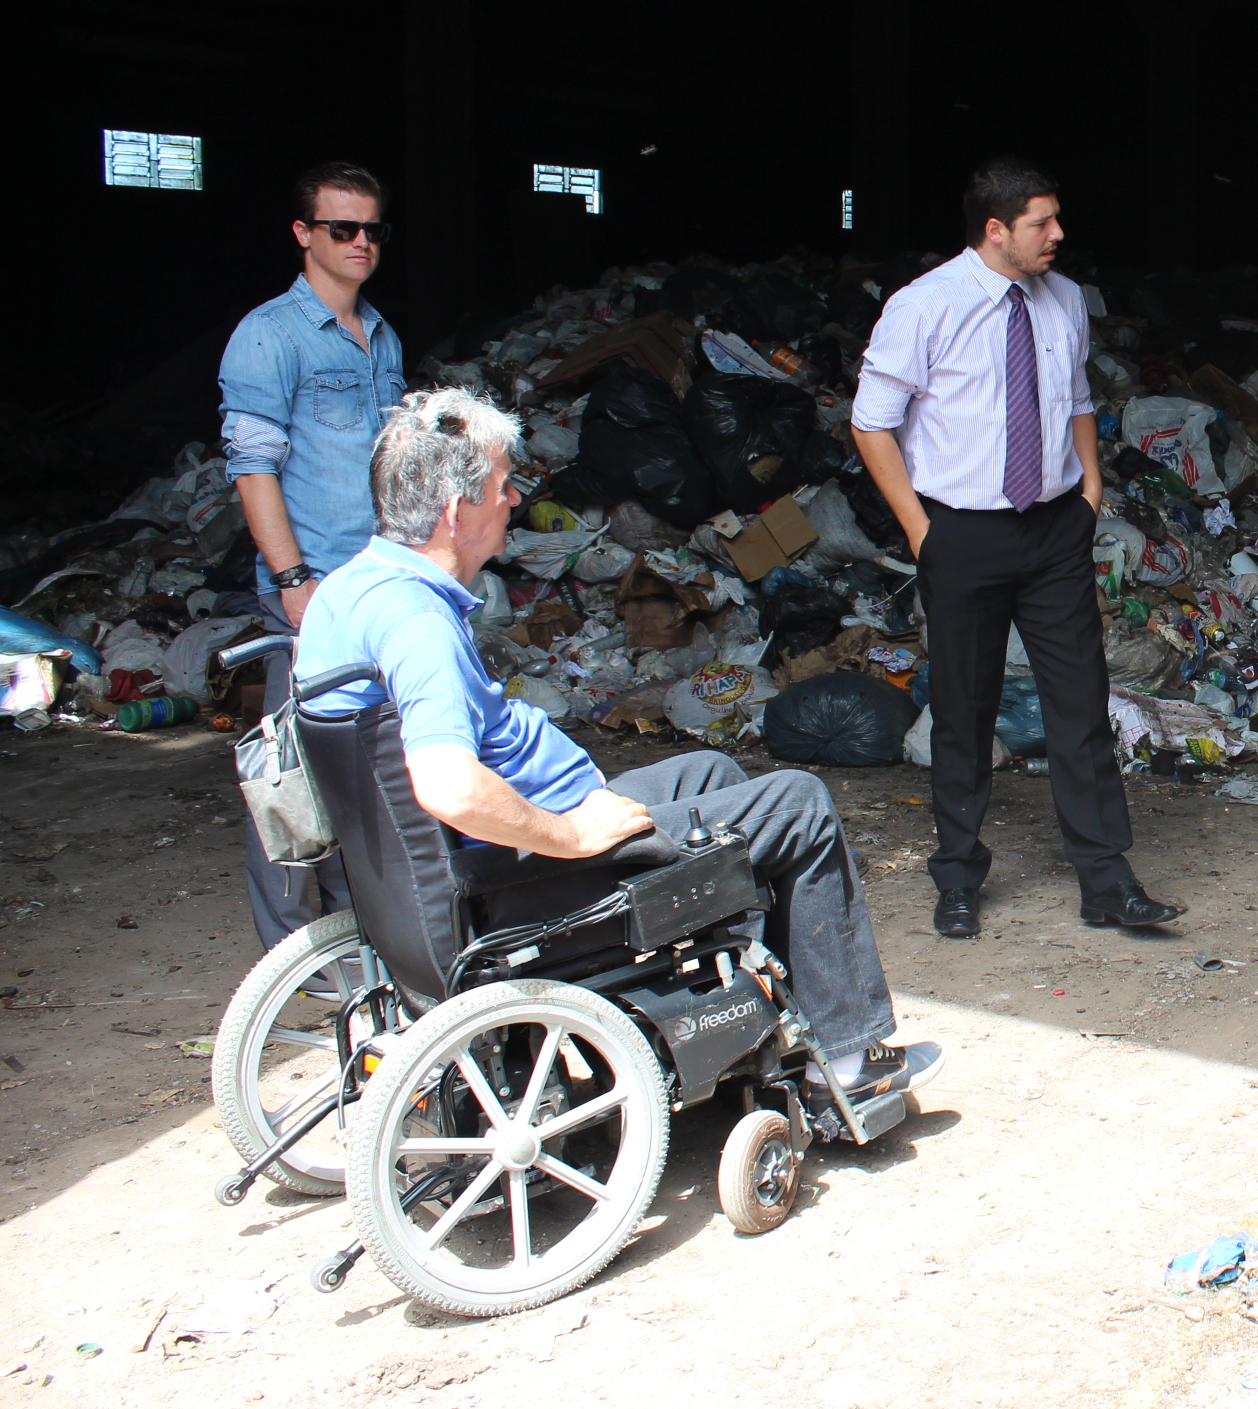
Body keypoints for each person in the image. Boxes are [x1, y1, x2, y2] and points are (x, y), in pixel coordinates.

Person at [295, 389, 937, 1099]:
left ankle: (746, 1022)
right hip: (528, 877)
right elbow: (447, 786)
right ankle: (845, 1061)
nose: (515, 499)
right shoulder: (416, 623)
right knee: (799, 804)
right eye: (503, 486)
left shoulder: (347, 590)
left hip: (472, 865)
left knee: (711, 773)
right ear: (455, 511)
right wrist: (570, 835)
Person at [850, 157, 1182, 940]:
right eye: (1042, 222)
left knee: (1081, 704)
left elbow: (1077, 400)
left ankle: (1107, 880)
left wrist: (1090, 490)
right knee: (964, 710)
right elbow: (871, 422)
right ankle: (958, 877)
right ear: (996, 229)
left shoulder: (1064, 298)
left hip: (1056, 527)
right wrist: (920, 529)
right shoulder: (924, 306)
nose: (1058, 234)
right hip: (962, 532)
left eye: (1056, 218)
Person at [218, 162, 407, 948]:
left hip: (375, 582)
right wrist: (292, 578)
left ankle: (362, 934)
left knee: (365, 772)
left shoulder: (382, 335)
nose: (361, 242)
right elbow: (253, 469)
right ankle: (295, 952)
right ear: (304, 234)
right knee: (293, 771)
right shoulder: (269, 335)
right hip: (314, 585)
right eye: (342, 228)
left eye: (372, 229)